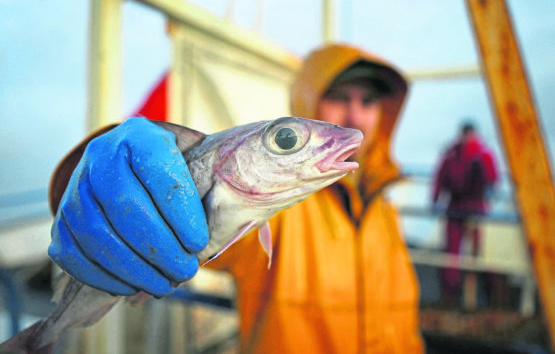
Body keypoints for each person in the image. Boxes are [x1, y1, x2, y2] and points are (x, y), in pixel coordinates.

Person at [48, 43, 423, 353]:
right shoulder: (278, 206)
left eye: (369, 100)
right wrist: (99, 183)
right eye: (339, 97)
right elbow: (165, 214)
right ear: (308, 101)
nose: (355, 113)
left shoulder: (384, 208)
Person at [432, 121, 498, 306]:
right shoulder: (474, 154)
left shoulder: (465, 155)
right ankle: (462, 296)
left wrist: (436, 199)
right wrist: (436, 198)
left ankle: (468, 296)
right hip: (465, 208)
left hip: (471, 208)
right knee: (460, 255)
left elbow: (491, 179)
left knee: (476, 254)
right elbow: (493, 179)